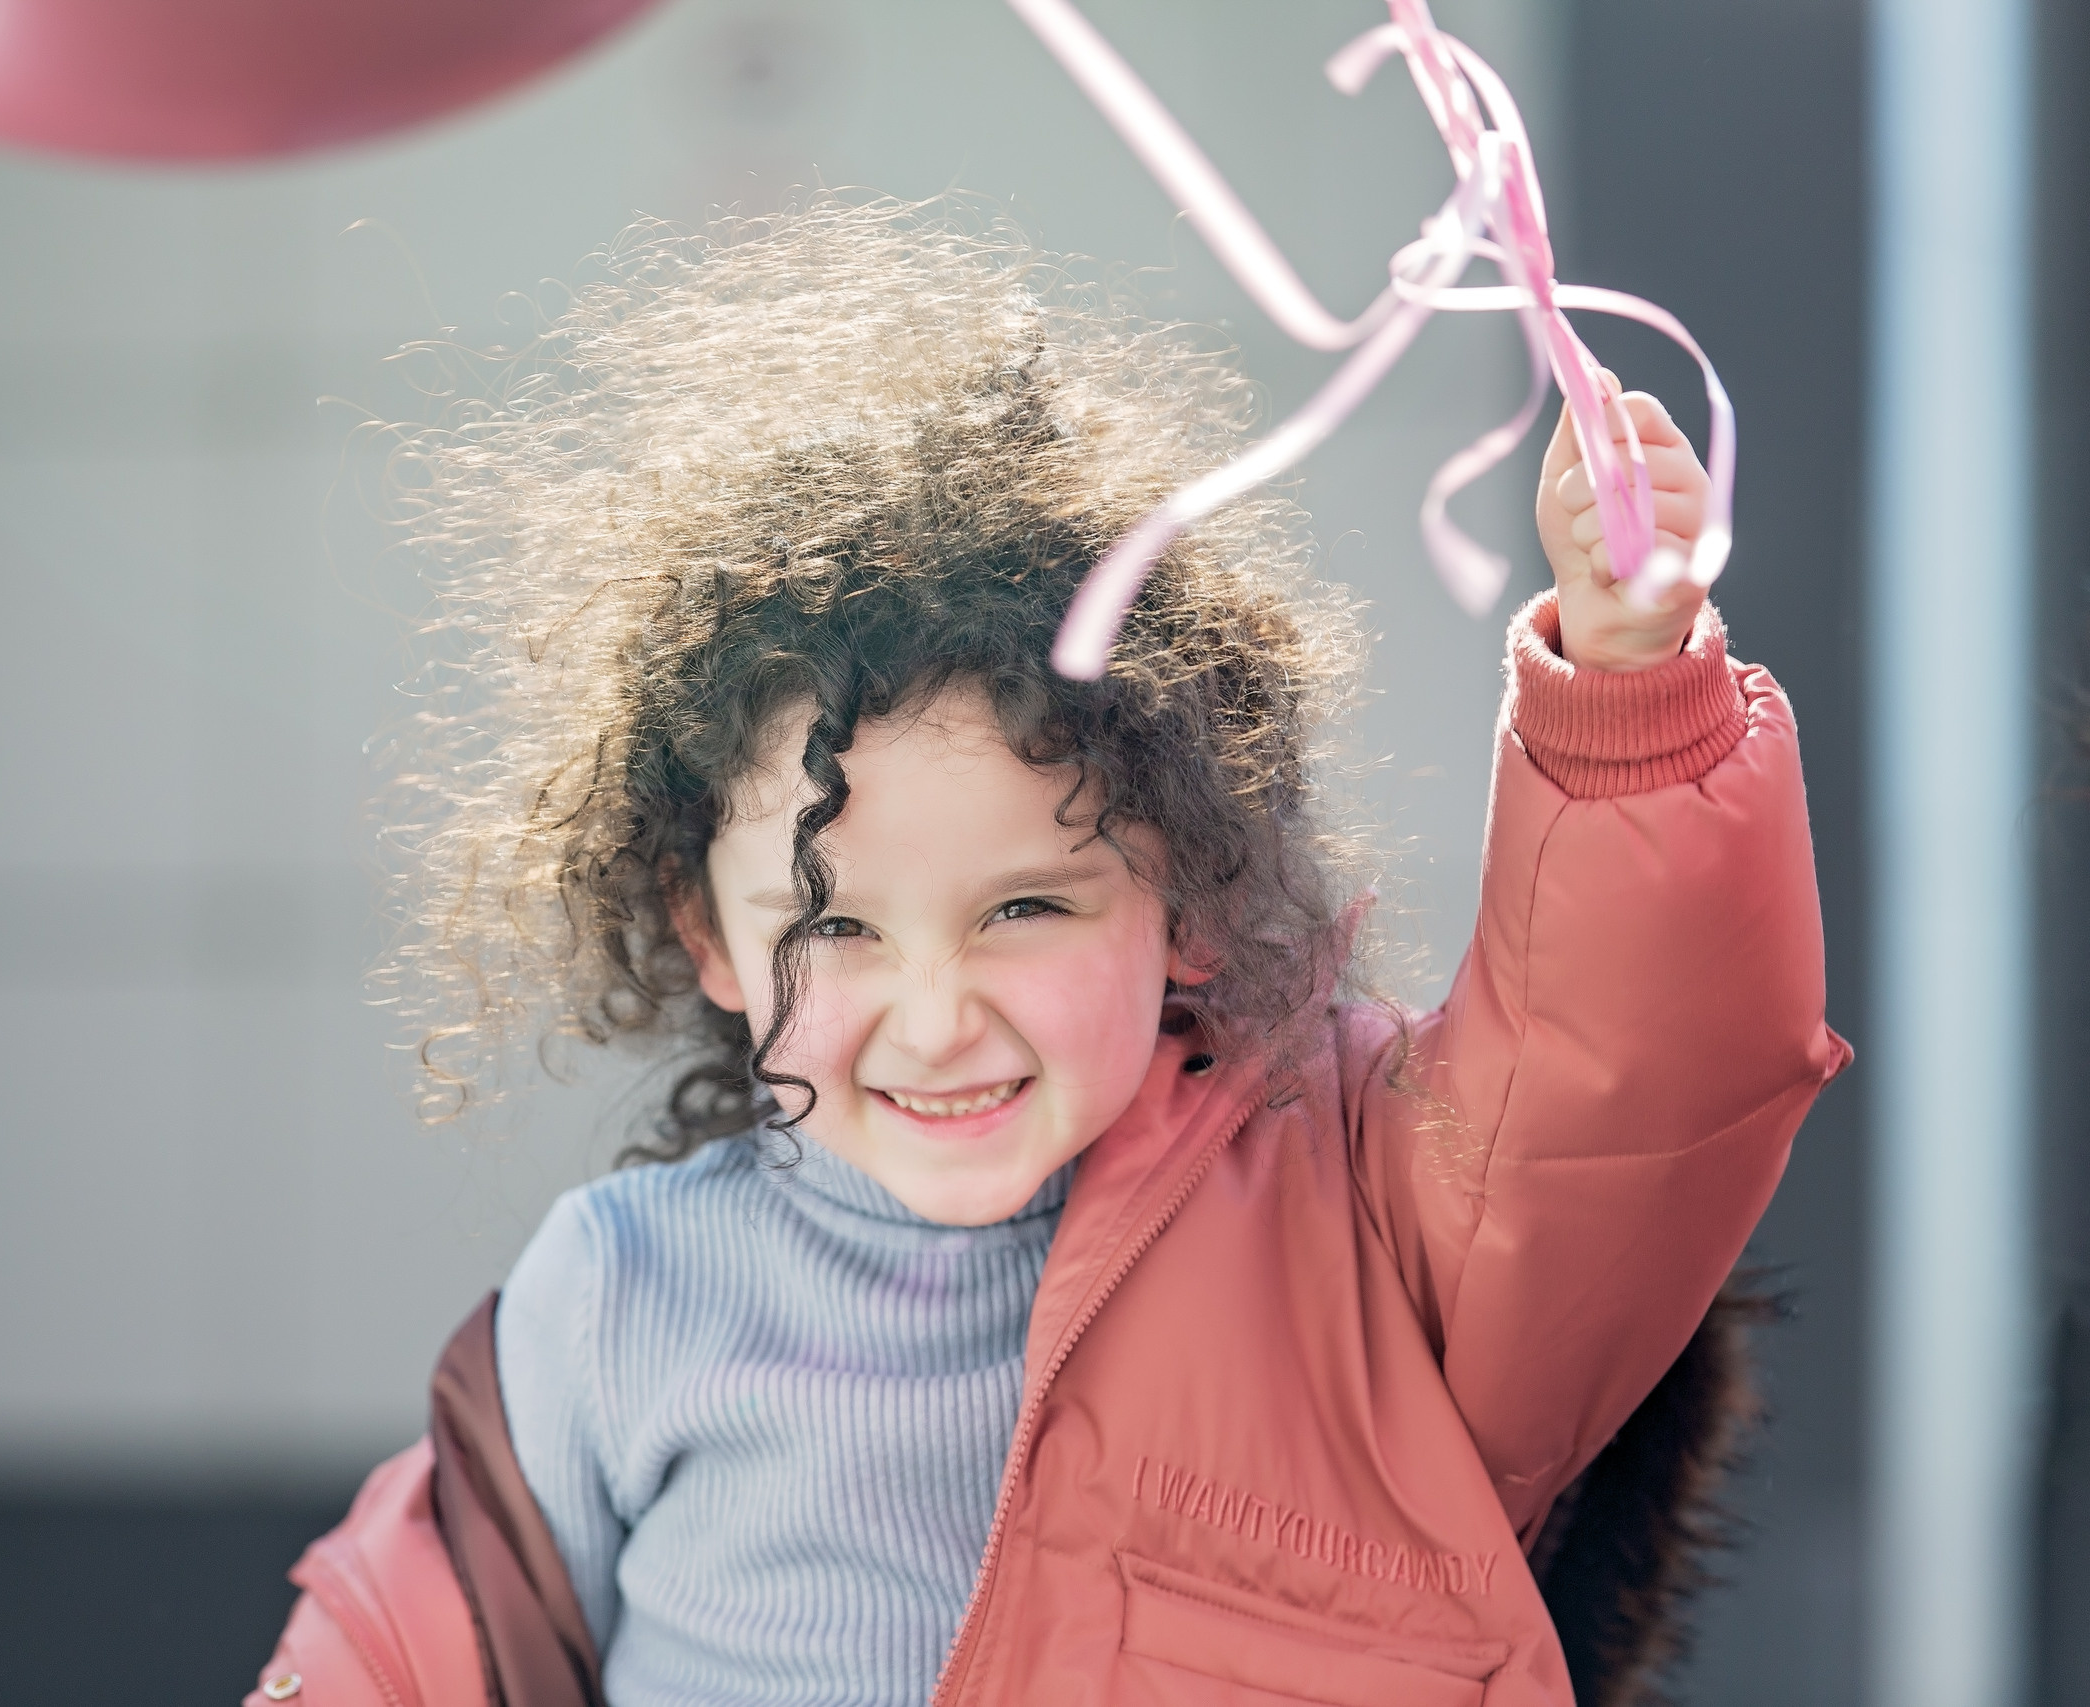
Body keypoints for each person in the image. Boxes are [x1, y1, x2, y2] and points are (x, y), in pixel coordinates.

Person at [246, 199, 1845, 1707]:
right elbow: (401, 1650)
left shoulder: (1361, 1221)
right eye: (835, 926)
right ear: (706, 935)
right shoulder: (621, 1297)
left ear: (1188, 897)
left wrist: (1630, 686)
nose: (937, 1017)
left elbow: (1621, 1093)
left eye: (1025, 909)